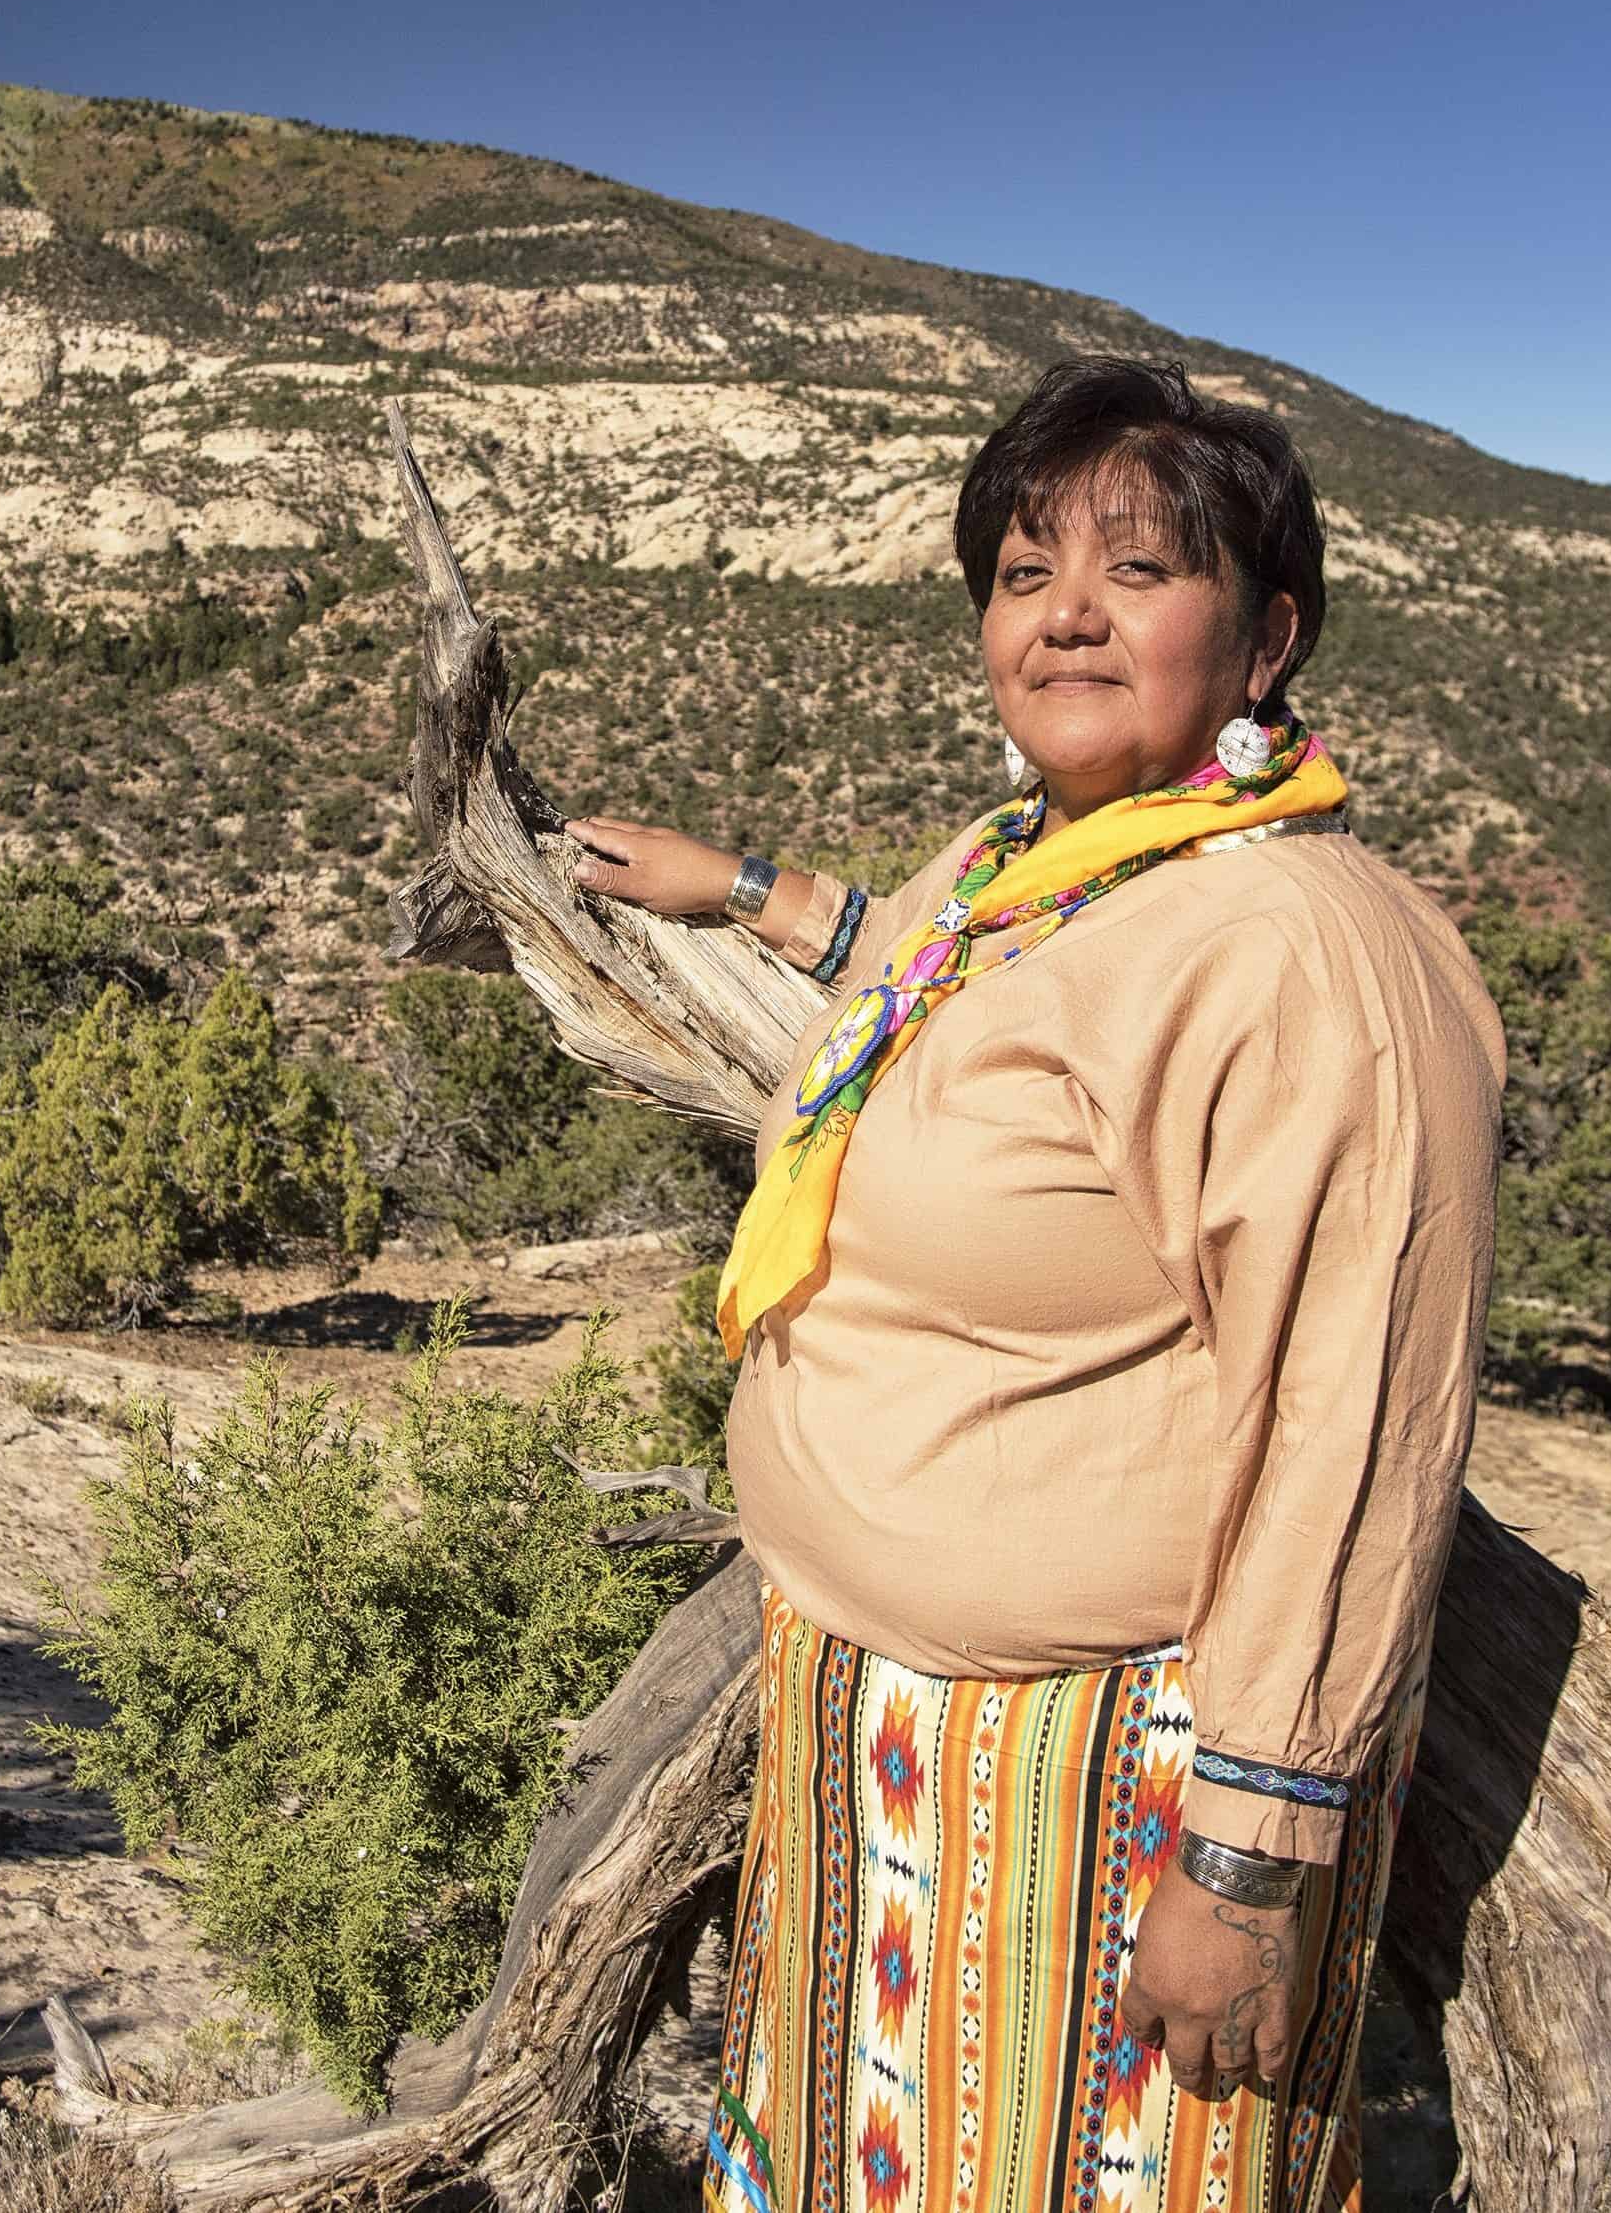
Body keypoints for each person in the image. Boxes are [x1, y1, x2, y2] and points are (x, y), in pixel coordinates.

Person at [561, 355, 1504, 2213]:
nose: (1063, 609)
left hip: (1108, 1778)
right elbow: (924, 964)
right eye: (1020, 570)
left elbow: (1358, 1417)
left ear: (1265, 639)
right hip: (896, 1734)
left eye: (1139, 571)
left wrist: (1247, 1856)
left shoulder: (1301, 954)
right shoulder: (1052, 863)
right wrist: (736, 884)